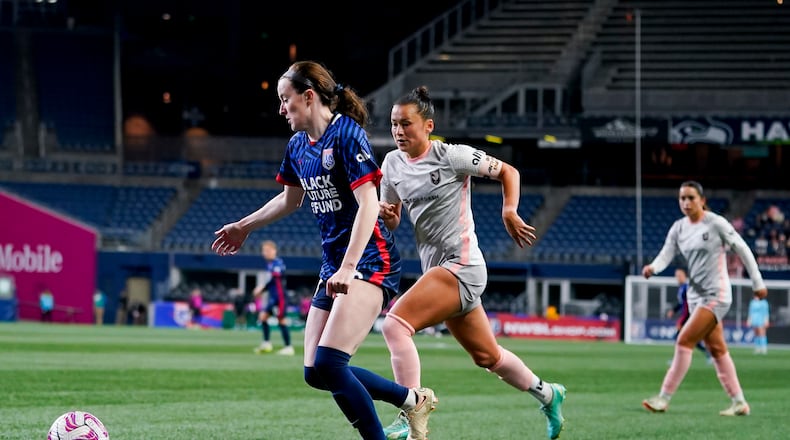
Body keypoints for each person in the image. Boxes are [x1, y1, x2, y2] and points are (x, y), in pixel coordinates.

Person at [211, 61, 436, 440]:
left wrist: (348, 266)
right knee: (315, 372)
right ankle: (413, 399)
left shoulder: (346, 134)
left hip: (370, 260)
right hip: (334, 265)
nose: (281, 109)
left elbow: (369, 204)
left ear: (308, 96)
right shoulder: (298, 145)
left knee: (331, 363)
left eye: (285, 100)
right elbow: (289, 199)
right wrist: (243, 226)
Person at [378, 86, 566, 440]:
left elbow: (509, 172)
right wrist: (388, 216)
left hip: (461, 266)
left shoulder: (453, 156)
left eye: (406, 123)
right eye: (394, 124)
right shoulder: (391, 164)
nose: (398, 131)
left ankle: (411, 410)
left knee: (394, 325)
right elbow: (394, 219)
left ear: (428, 125)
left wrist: (509, 210)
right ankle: (549, 394)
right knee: (488, 357)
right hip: (439, 271)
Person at [641, 180, 768, 417]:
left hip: (716, 295)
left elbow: (742, 248)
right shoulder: (679, 228)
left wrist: (757, 282)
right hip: (695, 296)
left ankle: (663, 398)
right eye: (682, 198)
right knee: (717, 348)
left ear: (702, 200)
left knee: (684, 340)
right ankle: (739, 402)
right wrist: (653, 267)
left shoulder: (715, 223)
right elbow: (667, 253)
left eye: (691, 198)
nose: (686, 202)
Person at [252, 240, 294, 355]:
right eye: (263, 251)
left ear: (274, 251)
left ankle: (288, 347)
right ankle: (266, 344)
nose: (265, 253)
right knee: (263, 317)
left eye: (267, 250)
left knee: (281, 320)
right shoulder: (270, 265)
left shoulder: (278, 264)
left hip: (280, 298)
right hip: (273, 297)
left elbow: (275, 280)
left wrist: (261, 288)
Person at [666, 267, 711, 363]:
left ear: (685, 276)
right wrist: (673, 310)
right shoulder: (682, 288)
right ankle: (709, 354)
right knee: (692, 339)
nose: (677, 277)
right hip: (688, 317)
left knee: (679, 337)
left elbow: (687, 306)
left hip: (689, 317)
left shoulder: (686, 288)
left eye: (679, 275)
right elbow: (682, 304)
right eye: (676, 276)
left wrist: (681, 321)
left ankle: (677, 361)